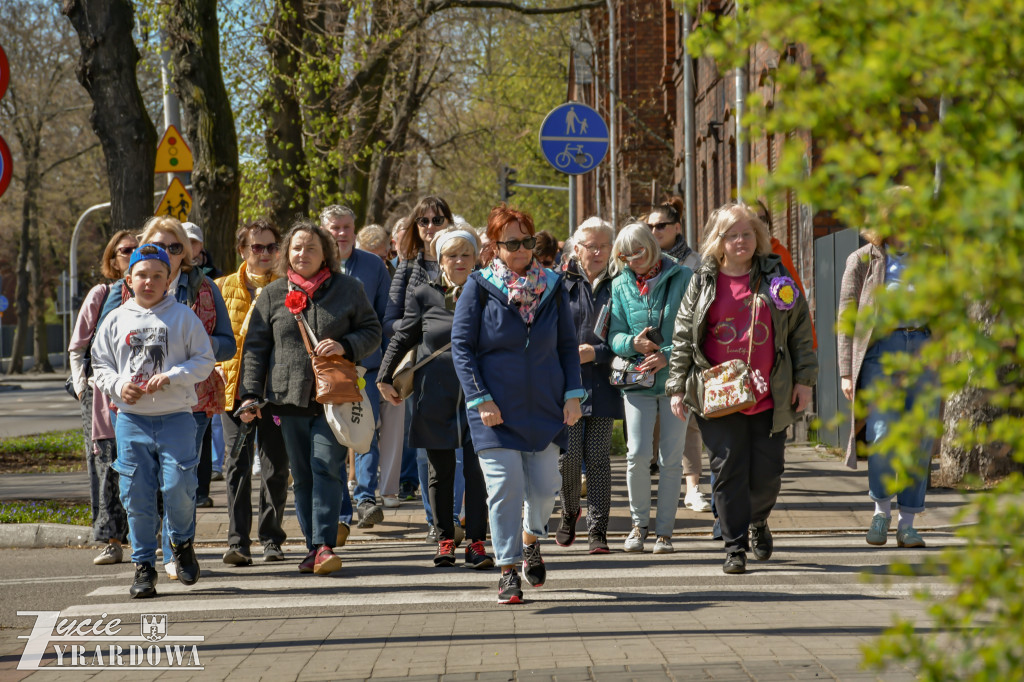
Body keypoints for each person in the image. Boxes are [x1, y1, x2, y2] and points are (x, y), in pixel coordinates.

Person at [666, 203, 816, 575]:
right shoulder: (702, 280)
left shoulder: (775, 275)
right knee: (728, 468)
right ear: (718, 240)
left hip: (769, 393)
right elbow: (684, 335)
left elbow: (799, 328)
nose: (740, 241)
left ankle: (758, 520)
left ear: (758, 237)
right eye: (731, 235)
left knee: (768, 473)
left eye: (747, 234)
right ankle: (735, 546)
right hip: (718, 393)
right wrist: (676, 386)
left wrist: (805, 380)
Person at [451, 204, 584, 604]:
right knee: (505, 487)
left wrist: (574, 394)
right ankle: (508, 569)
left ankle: (531, 540)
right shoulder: (479, 285)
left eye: (527, 241)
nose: (523, 249)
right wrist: (479, 398)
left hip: (545, 407)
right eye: (513, 243)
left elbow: (566, 345)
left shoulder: (555, 286)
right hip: (494, 410)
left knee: (546, 488)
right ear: (495, 246)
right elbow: (462, 347)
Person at [238, 220, 381, 576]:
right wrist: (251, 394)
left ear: (325, 254)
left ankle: (323, 545)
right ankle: (313, 545)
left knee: (326, 467)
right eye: (297, 247)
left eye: (311, 248)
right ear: (288, 252)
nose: (303, 254)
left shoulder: (349, 289)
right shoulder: (272, 295)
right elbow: (255, 347)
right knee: (300, 475)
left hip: (334, 398)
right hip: (287, 398)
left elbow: (373, 330)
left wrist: (347, 345)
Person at [92, 244, 216, 598]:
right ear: (129, 280)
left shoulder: (182, 317)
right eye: (142, 275)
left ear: (169, 280)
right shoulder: (115, 319)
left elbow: (204, 361)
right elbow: (99, 366)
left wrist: (174, 376)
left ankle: (181, 543)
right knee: (137, 496)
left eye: (157, 275)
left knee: (179, 486)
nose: (149, 281)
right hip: (131, 421)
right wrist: (118, 385)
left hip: (176, 417)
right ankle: (143, 565)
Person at [378, 227, 493, 569]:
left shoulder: (488, 290)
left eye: (466, 255)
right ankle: (445, 538)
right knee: (439, 473)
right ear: (440, 259)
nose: (459, 261)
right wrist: (385, 376)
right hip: (434, 392)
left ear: (476, 258)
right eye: (452, 255)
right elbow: (403, 336)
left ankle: (476, 541)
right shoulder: (424, 293)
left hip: (478, 394)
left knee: (478, 472)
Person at [136, 217, 235, 579]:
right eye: (159, 247)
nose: (167, 255)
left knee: (179, 480)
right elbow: (106, 343)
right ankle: (146, 557)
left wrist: (199, 345)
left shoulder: (203, 288)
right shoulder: (129, 287)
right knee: (146, 483)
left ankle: (178, 547)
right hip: (139, 406)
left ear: (187, 254)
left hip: (191, 401)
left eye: (175, 248)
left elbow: (228, 343)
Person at [838, 203, 936, 548]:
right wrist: (846, 372)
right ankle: (881, 512)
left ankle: (907, 522)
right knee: (881, 433)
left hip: (924, 348)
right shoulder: (863, 259)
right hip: (881, 351)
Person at [608, 223, 693, 554]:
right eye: (625, 256)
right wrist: (633, 342)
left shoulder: (682, 277)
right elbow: (613, 334)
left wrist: (666, 356)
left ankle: (665, 533)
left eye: (638, 252)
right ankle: (637, 526)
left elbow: (694, 330)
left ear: (652, 246)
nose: (632, 260)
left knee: (671, 459)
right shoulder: (619, 284)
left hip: (675, 382)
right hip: (638, 381)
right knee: (637, 455)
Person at [216, 218, 291, 566]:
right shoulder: (220, 288)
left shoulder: (290, 289)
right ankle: (237, 542)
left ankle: (272, 538)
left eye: (271, 247)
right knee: (238, 466)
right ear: (242, 250)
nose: (264, 253)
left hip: (275, 393)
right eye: (256, 247)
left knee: (276, 467)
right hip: (233, 391)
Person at [321, 205, 392, 528]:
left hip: (367, 367)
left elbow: (385, 318)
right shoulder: (315, 266)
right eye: (334, 228)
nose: (341, 234)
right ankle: (341, 509)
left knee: (365, 433)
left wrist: (387, 367)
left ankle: (365, 499)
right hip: (328, 370)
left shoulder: (374, 266)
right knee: (334, 435)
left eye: (347, 227)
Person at [68, 230, 136, 566]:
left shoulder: (157, 295)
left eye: (139, 249)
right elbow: (78, 346)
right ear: (112, 259)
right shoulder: (101, 294)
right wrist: (84, 389)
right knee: (107, 466)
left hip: (140, 396)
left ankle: (145, 538)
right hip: (100, 396)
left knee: (142, 467)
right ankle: (111, 540)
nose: (132, 254)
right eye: (126, 251)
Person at [556, 217, 622, 554]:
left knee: (597, 457)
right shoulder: (558, 283)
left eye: (602, 245)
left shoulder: (620, 283)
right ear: (576, 248)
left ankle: (598, 529)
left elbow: (626, 337)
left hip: (604, 382)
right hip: (567, 386)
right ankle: (569, 512)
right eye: (589, 245)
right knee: (568, 457)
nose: (596, 252)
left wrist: (595, 352)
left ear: (611, 248)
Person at [386, 197, 454, 503]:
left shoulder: (463, 261)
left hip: (458, 362)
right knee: (427, 445)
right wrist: (422, 327)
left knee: (462, 445)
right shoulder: (407, 267)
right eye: (423, 221)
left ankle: (457, 514)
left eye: (437, 220)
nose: (430, 227)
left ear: (449, 223)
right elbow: (390, 319)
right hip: (421, 364)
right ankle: (434, 519)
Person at [645, 201, 709, 513]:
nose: (654, 231)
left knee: (689, 419)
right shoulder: (646, 261)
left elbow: (702, 307)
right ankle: (656, 486)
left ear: (677, 228)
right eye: (650, 226)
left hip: (686, 348)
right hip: (652, 351)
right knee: (655, 420)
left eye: (660, 226)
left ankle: (693, 487)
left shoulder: (695, 262)